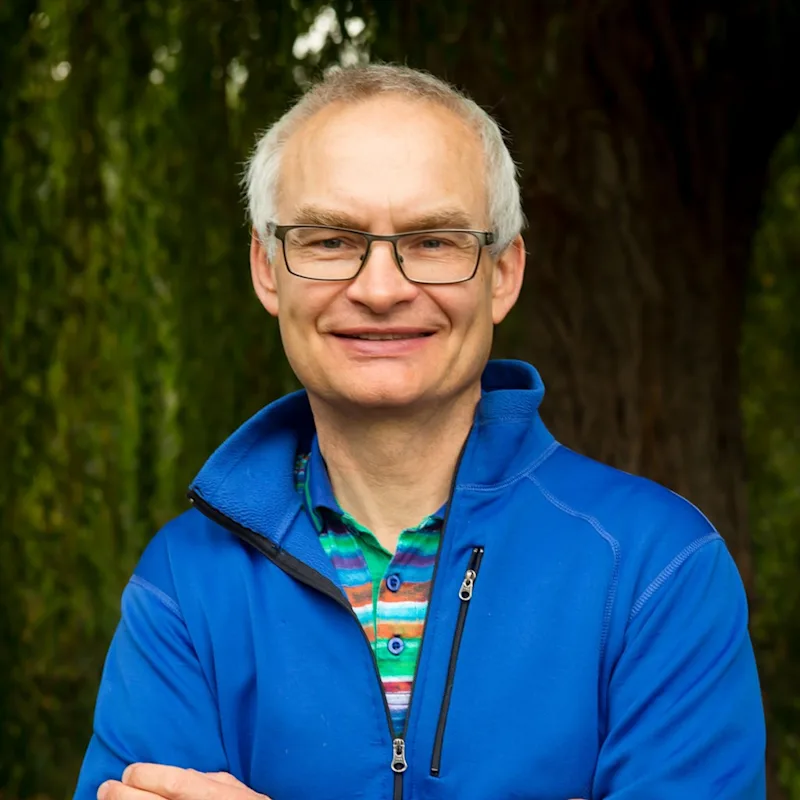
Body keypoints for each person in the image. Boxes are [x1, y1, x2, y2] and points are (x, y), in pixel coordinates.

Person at [75, 64, 765, 800]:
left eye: (434, 241)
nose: (380, 289)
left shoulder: (657, 569)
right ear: (267, 269)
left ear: (503, 273)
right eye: (330, 240)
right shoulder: (184, 582)